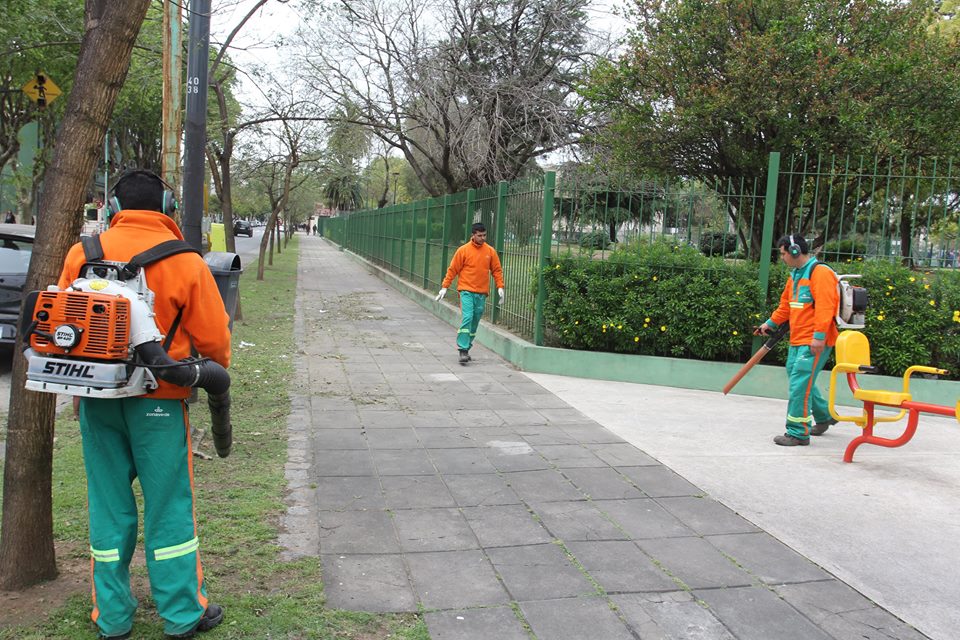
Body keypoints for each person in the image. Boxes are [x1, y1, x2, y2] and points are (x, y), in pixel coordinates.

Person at [58, 170, 231, 639]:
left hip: (96, 402)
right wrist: (209, 374)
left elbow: (63, 328)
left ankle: (112, 618)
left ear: (112, 209)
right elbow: (215, 342)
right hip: (161, 401)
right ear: (169, 209)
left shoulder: (82, 254)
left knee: (108, 507)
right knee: (169, 507)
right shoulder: (186, 262)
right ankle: (181, 614)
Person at [756, 234, 839, 446]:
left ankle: (797, 433)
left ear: (794, 251)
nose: (782, 258)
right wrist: (769, 324)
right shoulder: (795, 276)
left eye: (784, 253)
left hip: (813, 341)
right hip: (798, 340)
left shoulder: (820, 273)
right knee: (800, 379)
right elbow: (786, 306)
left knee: (799, 385)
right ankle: (824, 417)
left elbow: (825, 308)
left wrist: (819, 338)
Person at [435, 222, 505, 364]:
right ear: (472, 235)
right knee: (467, 317)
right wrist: (444, 287)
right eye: (479, 236)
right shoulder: (463, 250)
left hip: (482, 293)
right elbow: (453, 269)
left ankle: (467, 347)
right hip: (466, 290)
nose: (483, 238)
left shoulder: (490, 251)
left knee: (475, 321)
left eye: (484, 235)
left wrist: (500, 287)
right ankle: (462, 350)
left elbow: (497, 270)